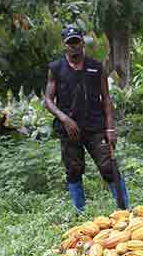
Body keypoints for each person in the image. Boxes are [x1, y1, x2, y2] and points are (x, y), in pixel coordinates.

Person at [44, 25, 129, 213]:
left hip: (95, 126)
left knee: (108, 166)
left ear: (83, 42)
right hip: (70, 129)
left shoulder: (96, 67)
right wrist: (64, 119)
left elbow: (106, 99)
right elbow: (48, 100)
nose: (74, 46)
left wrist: (111, 128)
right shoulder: (56, 69)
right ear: (65, 45)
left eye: (77, 42)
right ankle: (80, 212)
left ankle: (125, 210)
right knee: (73, 169)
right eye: (70, 43)